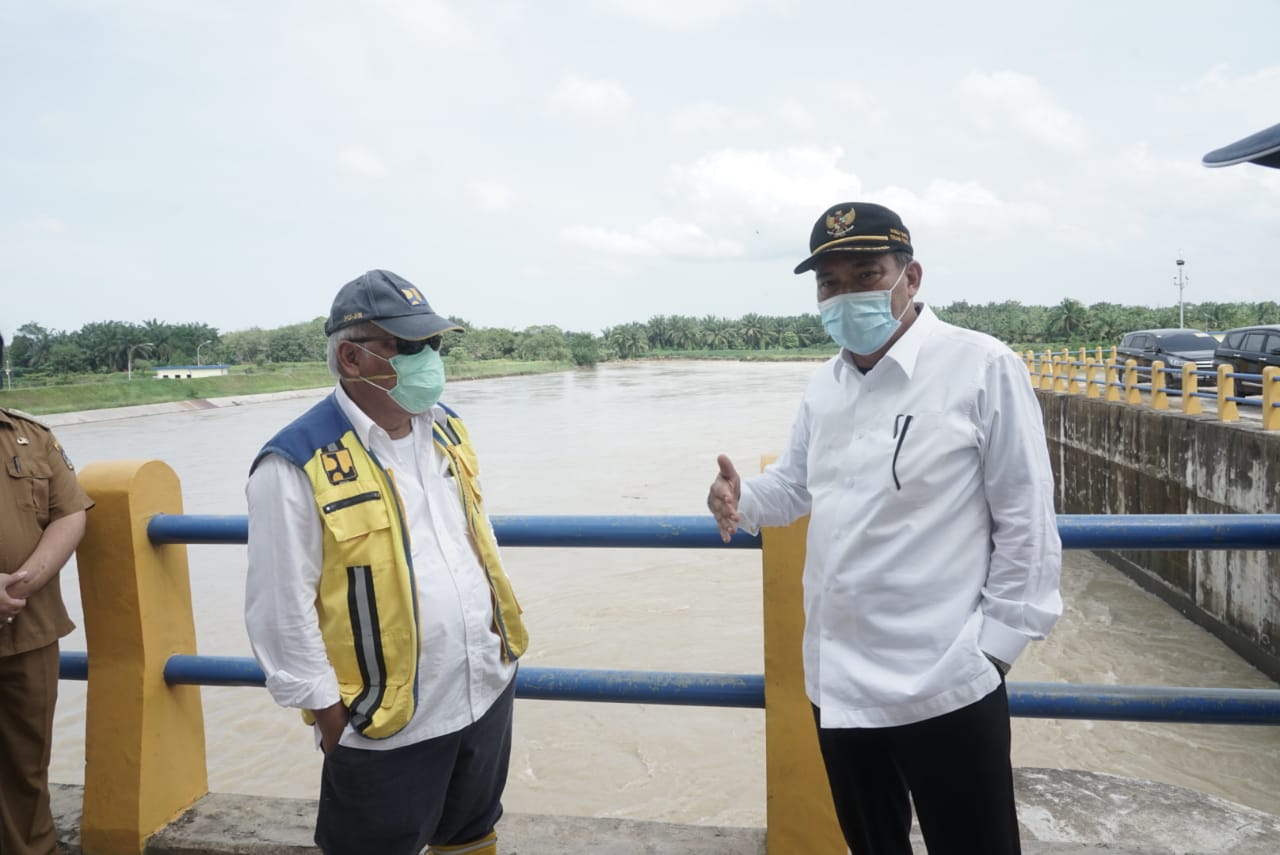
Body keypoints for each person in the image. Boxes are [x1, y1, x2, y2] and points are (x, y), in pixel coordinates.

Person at [706, 203, 1063, 854]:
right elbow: (794, 486)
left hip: (947, 681)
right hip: (837, 684)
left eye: (865, 275)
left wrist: (991, 653)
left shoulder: (981, 368)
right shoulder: (824, 387)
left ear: (911, 277)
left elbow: (1027, 518)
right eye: (829, 284)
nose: (846, 297)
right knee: (872, 846)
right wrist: (741, 499)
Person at [244, 270, 528, 855]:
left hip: (482, 691)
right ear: (351, 357)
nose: (429, 360)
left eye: (434, 345)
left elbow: (477, 539)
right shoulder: (296, 462)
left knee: (471, 835)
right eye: (408, 346)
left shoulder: (447, 429)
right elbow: (280, 609)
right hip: (384, 722)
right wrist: (332, 724)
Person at [0, 333, 93, 855]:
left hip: (26, 632)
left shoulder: (31, 437)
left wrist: (24, 581)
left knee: (27, 770)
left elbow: (69, 512)